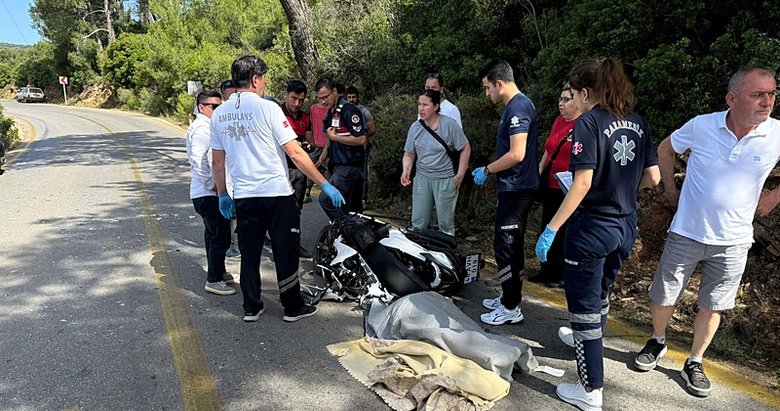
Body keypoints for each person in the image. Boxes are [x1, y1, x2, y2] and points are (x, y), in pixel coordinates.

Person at [632, 66, 780, 398]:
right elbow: (666, 149)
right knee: (664, 293)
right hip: (687, 230)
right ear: (732, 98)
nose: (767, 101)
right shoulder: (702, 125)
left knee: (713, 304)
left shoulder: (776, 133)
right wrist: (670, 190)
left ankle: (694, 361)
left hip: (735, 240)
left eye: (771, 93)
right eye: (758, 94)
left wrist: (772, 198)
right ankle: (657, 341)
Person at [534, 57, 660, 410]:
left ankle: (590, 390)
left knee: (584, 305)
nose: (574, 100)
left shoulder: (589, 123)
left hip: (591, 227)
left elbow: (582, 182)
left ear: (587, 92)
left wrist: (551, 228)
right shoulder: (638, 122)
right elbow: (653, 179)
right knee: (600, 293)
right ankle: (583, 338)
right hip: (625, 225)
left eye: (575, 94)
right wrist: (619, 182)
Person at [210, 55, 345, 323]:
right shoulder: (268, 108)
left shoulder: (220, 114)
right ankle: (292, 307)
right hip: (276, 193)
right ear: (256, 79)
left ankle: (251, 306)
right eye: (264, 78)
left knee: (250, 254)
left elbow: (217, 160)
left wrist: (223, 193)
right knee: (285, 250)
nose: (264, 83)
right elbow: (295, 152)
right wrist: (324, 183)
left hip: (245, 196)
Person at [473, 60, 540, 326]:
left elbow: (517, 153)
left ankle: (511, 307)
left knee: (507, 246)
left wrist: (487, 170)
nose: (486, 93)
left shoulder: (519, 107)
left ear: (499, 84)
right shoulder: (515, 106)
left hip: (517, 187)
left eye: (487, 87)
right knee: (510, 245)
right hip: (513, 186)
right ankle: (508, 295)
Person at [186, 90, 237, 296]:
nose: (217, 110)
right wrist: (216, 187)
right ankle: (213, 279)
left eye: (220, 105)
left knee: (213, 234)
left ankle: (219, 270)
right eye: (213, 106)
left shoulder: (208, 127)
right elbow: (200, 163)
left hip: (208, 192)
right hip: (208, 193)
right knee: (221, 236)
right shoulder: (201, 130)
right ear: (201, 107)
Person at [531, 84, 582, 288]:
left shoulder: (583, 125)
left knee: (562, 231)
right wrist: (540, 170)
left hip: (569, 188)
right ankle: (545, 269)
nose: (562, 104)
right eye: (560, 99)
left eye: (567, 99)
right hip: (551, 183)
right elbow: (548, 149)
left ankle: (559, 273)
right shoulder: (559, 121)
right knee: (546, 225)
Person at [400, 89, 471, 236]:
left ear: (436, 106)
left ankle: (445, 252)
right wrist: (406, 170)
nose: (421, 108)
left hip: (445, 179)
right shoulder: (415, 127)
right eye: (419, 104)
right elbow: (409, 153)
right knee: (418, 222)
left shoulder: (449, 125)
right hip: (422, 178)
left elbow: (465, 148)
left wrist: (460, 175)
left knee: (445, 224)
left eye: (425, 105)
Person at [315, 77, 368, 220]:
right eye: (319, 99)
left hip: (350, 167)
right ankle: (351, 236)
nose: (323, 101)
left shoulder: (349, 110)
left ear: (334, 92)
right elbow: (329, 135)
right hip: (337, 166)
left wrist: (335, 138)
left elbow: (361, 139)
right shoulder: (331, 112)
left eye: (325, 97)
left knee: (326, 199)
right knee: (349, 208)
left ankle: (347, 229)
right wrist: (322, 156)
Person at [280, 79, 315, 258]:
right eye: (293, 98)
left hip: (298, 170)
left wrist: (308, 145)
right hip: (279, 170)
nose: (296, 104)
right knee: (279, 209)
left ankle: (294, 245)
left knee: (296, 209)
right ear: (285, 95)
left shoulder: (304, 118)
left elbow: (311, 141)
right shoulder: (276, 114)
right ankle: (279, 243)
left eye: (301, 100)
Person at [218, 79, 241, 258]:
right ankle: (232, 245)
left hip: (242, 175)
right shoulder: (220, 114)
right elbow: (216, 159)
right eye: (230, 93)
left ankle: (238, 244)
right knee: (231, 216)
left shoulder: (242, 111)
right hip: (227, 175)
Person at [345, 86, 377, 206]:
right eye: (349, 97)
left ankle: (363, 199)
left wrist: (362, 137)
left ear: (357, 97)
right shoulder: (343, 110)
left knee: (362, 174)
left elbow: (372, 129)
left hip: (361, 149)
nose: (352, 99)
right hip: (346, 150)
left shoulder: (363, 110)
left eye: (354, 97)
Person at [305, 93, 330, 203]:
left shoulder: (330, 109)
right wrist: (311, 141)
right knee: (311, 167)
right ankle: (307, 191)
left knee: (329, 170)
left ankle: (330, 193)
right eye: (321, 98)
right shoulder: (313, 108)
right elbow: (310, 125)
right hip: (316, 144)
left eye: (325, 98)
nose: (323, 101)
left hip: (329, 144)